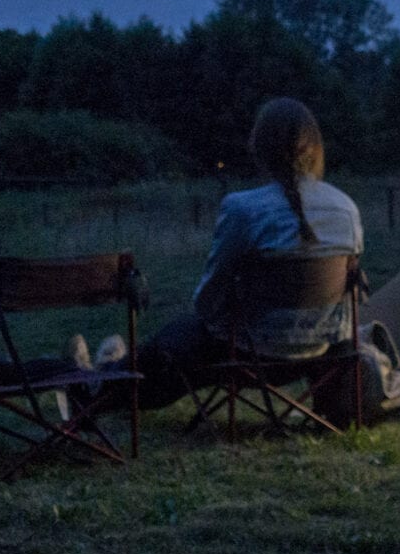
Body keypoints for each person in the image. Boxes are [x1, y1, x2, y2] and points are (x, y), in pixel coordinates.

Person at [136, 97, 364, 409]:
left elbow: (207, 298)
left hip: (247, 354)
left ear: (260, 147)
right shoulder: (346, 209)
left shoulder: (243, 209)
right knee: (179, 344)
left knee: (175, 344)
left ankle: (101, 383)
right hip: (320, 353)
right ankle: (109, 371)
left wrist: (217, 321)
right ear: (316, 147)